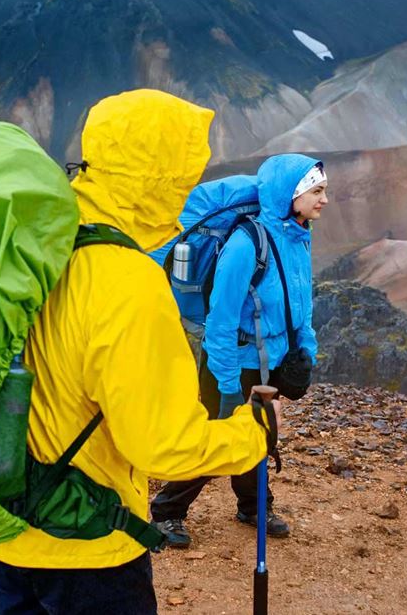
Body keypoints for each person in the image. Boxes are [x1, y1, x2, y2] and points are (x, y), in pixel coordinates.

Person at [0, 89, 283, 614]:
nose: (190, 188)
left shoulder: (34, 241)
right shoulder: (127, 280)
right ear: (157, 179)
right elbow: (161, 444)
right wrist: (251, 434)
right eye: (183, 175)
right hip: (88, 541)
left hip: (10, 526)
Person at [151, 154, 327, 548]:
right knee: (215, 437)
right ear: (291, 195)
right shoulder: (247, 243)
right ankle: (166, 512)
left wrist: (304, 353)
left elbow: (301, 303)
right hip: (232, 362)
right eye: (316, 190)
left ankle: (254, 506)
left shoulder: (299, 235)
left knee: (259, 436)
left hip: (271, 362)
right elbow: (221, 320)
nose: (324, 200)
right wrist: (228, 384)